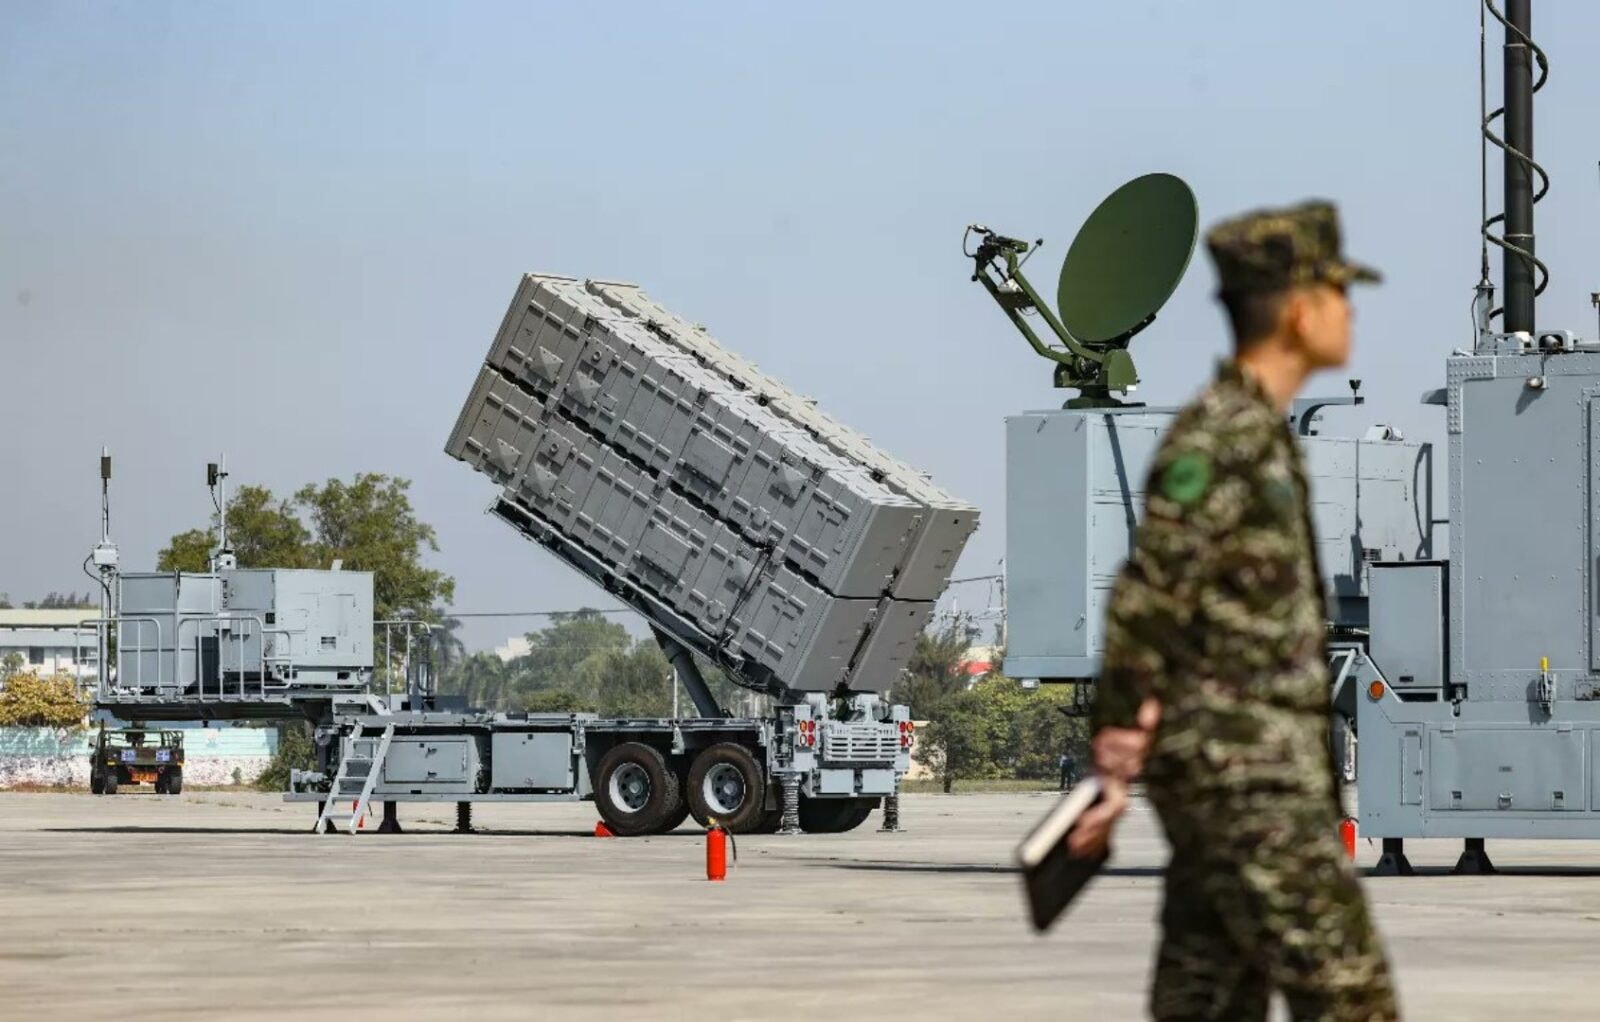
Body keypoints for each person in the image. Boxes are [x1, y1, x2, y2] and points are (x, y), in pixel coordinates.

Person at [1066, 201, 1399, 1021]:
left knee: (1206, 1000)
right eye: (1337, 294)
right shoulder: (1220, 440)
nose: (1350, 312)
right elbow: (1149, 594)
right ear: (1297, 311)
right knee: (1351, 996)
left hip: (1251, 773)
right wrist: (1113, 757)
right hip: (1247, 781)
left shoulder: (1259, 434)